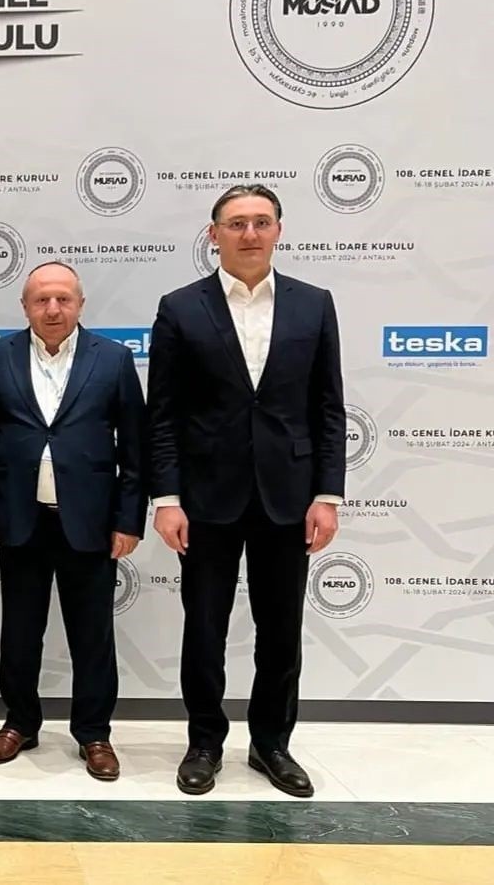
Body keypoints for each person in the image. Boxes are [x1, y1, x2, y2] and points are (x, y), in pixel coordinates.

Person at [147, 183, 345, 798]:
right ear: (214, 235)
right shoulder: (180, 308)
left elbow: (328, 407)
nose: (250, 233)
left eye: (261, 221)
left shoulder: (314, 305)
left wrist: (328, 495)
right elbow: (163, 414)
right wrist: (166, 498)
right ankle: (205, 742)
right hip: (206, 498)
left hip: (289, 497)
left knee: (281, 630)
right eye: (236, 223)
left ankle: (271, 744)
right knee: (204, 628)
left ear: (279, 230)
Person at [0, 261, 145, 780]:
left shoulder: (113, 358)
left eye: (63, 299)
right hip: (19, 519)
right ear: (24, 306)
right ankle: (19, 722)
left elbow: (135, 450)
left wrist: (129, 520)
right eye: (41, 299)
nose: (52, 309)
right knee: (21, 631)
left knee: (93, 635)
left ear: (80, 304)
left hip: (90, 522)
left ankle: (94, 733)